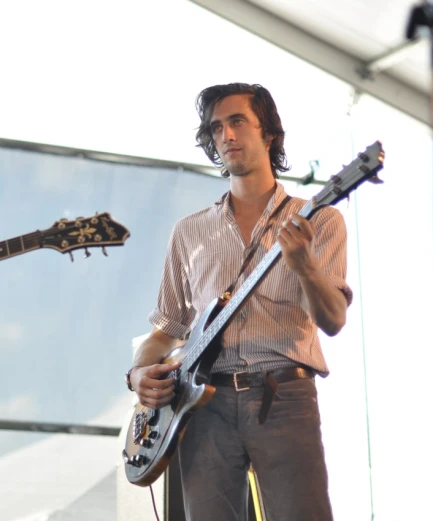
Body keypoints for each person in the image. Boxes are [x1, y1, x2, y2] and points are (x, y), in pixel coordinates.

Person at [127, 83, 350, 520]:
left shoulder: (320, 219)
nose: (225, 135)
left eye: (237, 122)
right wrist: (137, 374)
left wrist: (304, 266)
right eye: (215, 128)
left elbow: (333, 319)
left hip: (283, 394)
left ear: (268, 133)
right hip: (203, 404)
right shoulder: (189, 231)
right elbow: (166, 329)